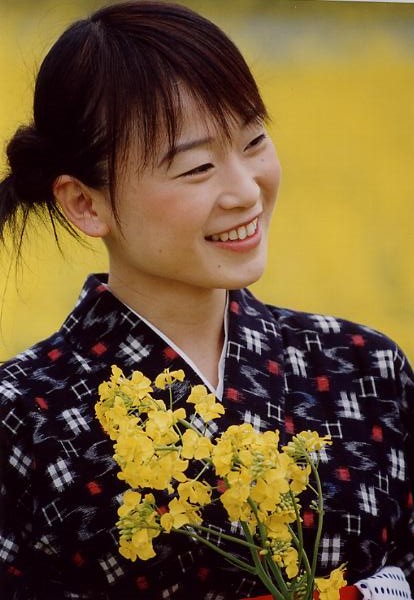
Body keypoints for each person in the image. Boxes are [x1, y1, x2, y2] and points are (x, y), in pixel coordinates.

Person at [0, 2, 412, 599]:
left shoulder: (367, 368)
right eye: (196, 168)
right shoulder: (22, 417)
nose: (245, 191)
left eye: (254, 140)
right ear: (85, 203)